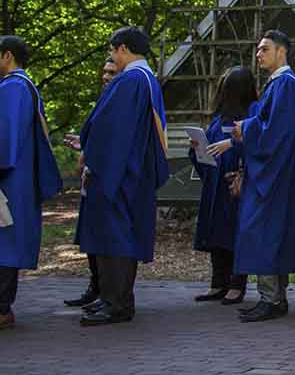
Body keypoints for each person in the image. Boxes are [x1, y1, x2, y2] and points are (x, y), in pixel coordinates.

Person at [209, 30, 295, 323]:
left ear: (282, 52)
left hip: (274, 178)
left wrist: (247, 129)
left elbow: (277, 132)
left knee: (266, 235)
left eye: (264, 49)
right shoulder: (278, 85)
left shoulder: (286, 85)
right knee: (270, 236)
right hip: (273, 175)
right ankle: (275, 298)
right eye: (258, 50)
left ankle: (271, 299)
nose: (258, 54)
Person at [75, 26, 170, 326]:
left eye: (112, 51)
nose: (111, 57)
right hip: (133, 171)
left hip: (118, 173)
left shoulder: (130, 81)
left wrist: (93, 162)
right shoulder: (147, 80)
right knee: (121, 236)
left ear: (124, 49)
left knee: (114, 237)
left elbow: (110, 130)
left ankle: (116, 304)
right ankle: (113, 299)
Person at [0, 36, 63, 329]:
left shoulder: (13, 88)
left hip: (9, 179)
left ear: (7, 56)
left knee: (5, 242)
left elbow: (5, 135)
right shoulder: (26, 87)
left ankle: (2, 308)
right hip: (19, 177)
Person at [189, 66, 255, 305]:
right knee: (216, 233)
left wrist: (240, 166)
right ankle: (218, 283)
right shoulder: (218, 119)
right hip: (215, 185)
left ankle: (237, 285)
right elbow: (207, 148)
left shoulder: (252, 116)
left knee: (235, 235)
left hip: (235, 185)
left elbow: (255, 146)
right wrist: (197, 147)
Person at [63, 56, 118, 309]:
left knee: (104, 239)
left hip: (105, 180)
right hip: (91, 180)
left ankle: (107, 291)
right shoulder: (103, 100)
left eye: (111, 72)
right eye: (104, 72)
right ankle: (95, 286)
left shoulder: (120, 101)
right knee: (90, 237)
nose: (105, 77)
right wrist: (83, 144)